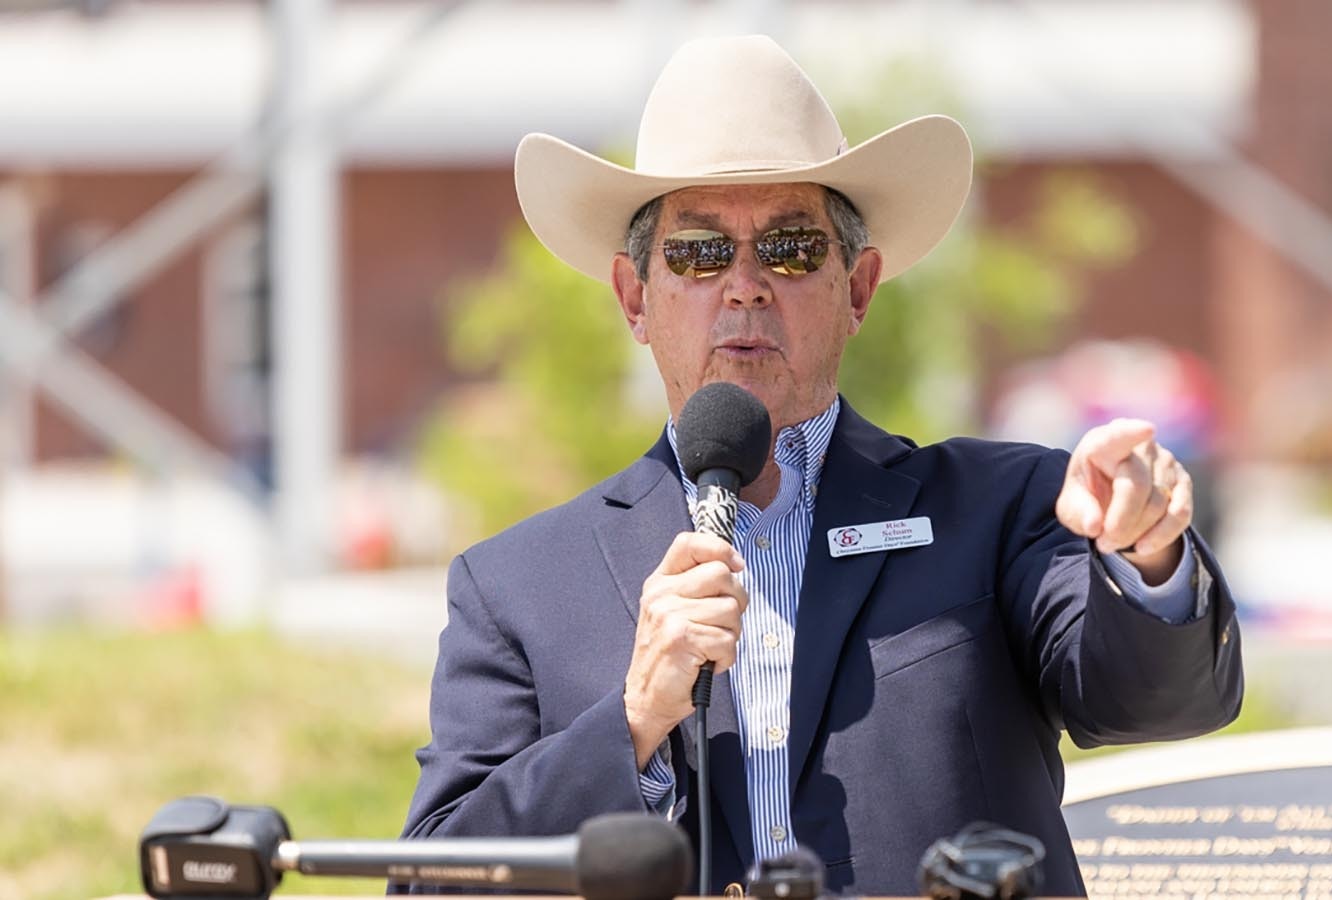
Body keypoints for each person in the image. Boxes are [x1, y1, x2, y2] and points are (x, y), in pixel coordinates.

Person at [397, 34, 1242, 897]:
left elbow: (1163, 702)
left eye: (793, 248)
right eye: (698, 251)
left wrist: (1147, 558)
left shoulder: (1001, 508)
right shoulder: (516, 586)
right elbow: (434, 881)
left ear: (860, 288)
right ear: (634, 298)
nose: (747, 284)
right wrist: (632, 724)